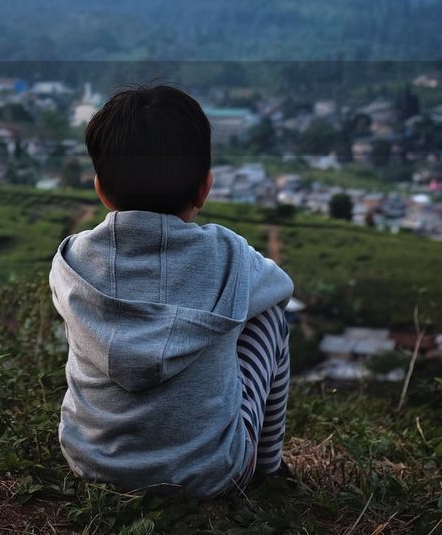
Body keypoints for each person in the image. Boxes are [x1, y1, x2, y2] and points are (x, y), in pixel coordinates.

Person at [49, 83, 293, 498]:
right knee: (269, 314)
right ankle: (268, 467)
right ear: (205, 187)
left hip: (91, 464)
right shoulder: (231, 257)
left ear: (101, 190)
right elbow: (282, 286)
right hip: (212, 474)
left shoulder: (71, 261)